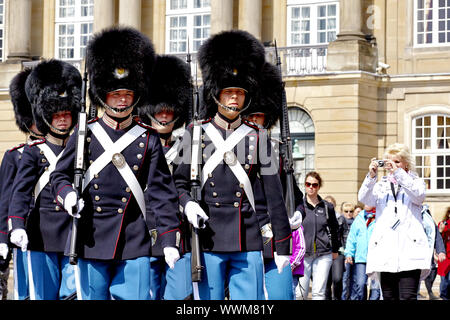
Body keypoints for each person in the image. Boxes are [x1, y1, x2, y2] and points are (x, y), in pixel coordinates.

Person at [49, 26, 182, 300]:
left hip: (133, 240)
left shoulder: (147, 138)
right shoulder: (85, 133)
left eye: (127, 94)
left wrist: (169, 239)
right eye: (115, 94)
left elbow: (162, 193)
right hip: (90, 237)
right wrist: (68, 196)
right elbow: (58, 178)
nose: (122, 99)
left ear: (135, 96)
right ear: (103, 96)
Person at [173, 30, 292, 300]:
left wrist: (282, 245)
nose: (235, 98)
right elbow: (178, 183)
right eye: (229, 92)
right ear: (216, 94)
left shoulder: (258, 136)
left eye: (239, 92)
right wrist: (187, 204)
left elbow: (274, 196)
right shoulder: (195, 133)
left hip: (247, 238)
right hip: (208, 235)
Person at [8, 59, 81, 300]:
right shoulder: (34, 151)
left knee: (72, 295)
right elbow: (20, 191)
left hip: (75, 232)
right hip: (42, 234)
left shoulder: (82, 148)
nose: (62, 119)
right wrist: (17, 224)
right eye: (56, 115)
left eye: (66, 114)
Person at [242, 61, 304, 300]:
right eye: (252, 116)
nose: (257, 122)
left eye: (261, 118)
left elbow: (293, 192)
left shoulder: (275, 152)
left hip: (276, 234)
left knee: (281, 294)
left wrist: (298, 210)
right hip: (246, 233)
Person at [137, 54, 192, 300]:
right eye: (158, 110)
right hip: (142, 233)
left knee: (180, 296)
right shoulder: (137, 147)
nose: (164, 116)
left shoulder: (186, 148)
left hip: (179, 234)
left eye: (169, 111)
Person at [358, 143, 431, 300]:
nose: (393, 166)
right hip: (386, 250)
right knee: (389, 297)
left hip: (410, 249)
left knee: (408, 297)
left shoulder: (415, 182)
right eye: (389, 162)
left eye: (397, 162)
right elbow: (365, 199)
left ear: (406, 163)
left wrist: (399, 174)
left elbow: (418, 196)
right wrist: (371, 177)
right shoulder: (381, 185)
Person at [0, 68, 43, 300]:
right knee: (28, 293)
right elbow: (5, 201)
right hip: (26, 232)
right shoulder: (15, 155)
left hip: (62, 232)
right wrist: (2, 239)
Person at [298, 171, 339, 300]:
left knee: (319, 293)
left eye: (314, 185)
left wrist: (335, 249)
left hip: (323, 253)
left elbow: (334, 229)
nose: (311, 187)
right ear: (304, 185)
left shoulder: (327, 207)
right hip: (303, 255)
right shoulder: (298, 205)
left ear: (319, 186)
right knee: (300, 294)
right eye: (308, 184)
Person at [344, 205, 380, 300]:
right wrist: (349, 253)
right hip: (361, 258)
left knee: (375, 287)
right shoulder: (359, 218)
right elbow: (352, 237)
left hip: (376, 259)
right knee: (360, 284)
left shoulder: (380, 216)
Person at [418, 204, 446, 300]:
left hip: (426, 254)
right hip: (409, 255)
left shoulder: (425, 212)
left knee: (431, 273)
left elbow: (435, 232)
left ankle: (429, 292)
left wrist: (441, 250)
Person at [325, 197, 348, 300]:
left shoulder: (340, 218)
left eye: (331, 204)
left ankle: (337, 298)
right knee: (326, 280)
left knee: (337, 278)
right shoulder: (320, 217)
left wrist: (346, 251)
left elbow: (345, 235)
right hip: (324, 252)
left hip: (338, 252)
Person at [290, 213, 306, 299]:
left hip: (292, 270)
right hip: (277, 268)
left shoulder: (297, 227)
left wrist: (292, 264)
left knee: (291, 293)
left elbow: (301, 248)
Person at [437, 206, 450, 300]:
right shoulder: (442, 224)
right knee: (445, 281)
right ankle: (444, 296)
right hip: (445, 257)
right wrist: (441, 231)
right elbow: (437, 239)